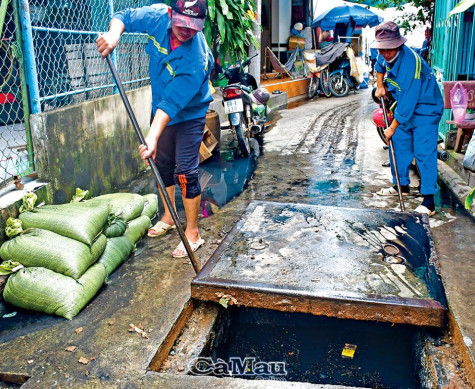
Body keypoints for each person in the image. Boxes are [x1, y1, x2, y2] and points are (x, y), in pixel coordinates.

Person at [96, 0, 213, 257]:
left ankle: (192, 233)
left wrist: (152, 135)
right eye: (182, 24)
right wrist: (114, 34)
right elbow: (123, 15)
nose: (186, 32)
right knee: (161, 164)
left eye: (193, 27)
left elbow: (172, 104)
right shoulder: (157, 16)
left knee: (186, 172)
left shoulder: (196, 57)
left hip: (190, 112)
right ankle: (169, 217)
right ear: (172, 13)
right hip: (161, 103)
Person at [373, 21, 443, 217]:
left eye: (390, 48)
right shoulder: (384, 55)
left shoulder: (410, 64)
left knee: (423, 152)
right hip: (407, 106)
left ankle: (429, 202)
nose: (386, 53)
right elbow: (379, 65)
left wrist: (392, 126)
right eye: (382, 48)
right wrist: (380, 85)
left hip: (426, 109)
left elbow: (407, 103)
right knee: (399, 145)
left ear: (399, 44)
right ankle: (401, 186)